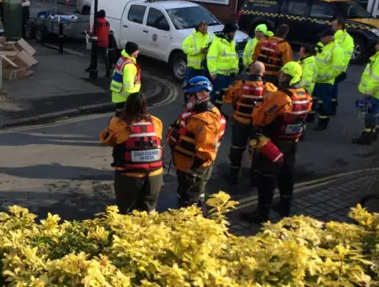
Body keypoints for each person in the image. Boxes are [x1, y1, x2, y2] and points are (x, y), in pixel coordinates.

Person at [241, 62, 312, 223]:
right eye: (281, 74)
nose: (280, 77)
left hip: (272, 142)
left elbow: (259, 119)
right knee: (287, 174)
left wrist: (260, 105)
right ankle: (285, 206)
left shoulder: (280, 96)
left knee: (266, 177)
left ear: (290, 78)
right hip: (291, 142)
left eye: (284, 75)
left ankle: (262, 213)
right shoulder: (305, 94)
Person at [99, 92, 163, 214]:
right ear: (145, 106)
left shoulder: (118, 123)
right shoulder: (156, 122)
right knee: (149, 211)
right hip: (154, 175)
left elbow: (108, 140)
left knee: (126, 211)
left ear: (127, 106)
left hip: (129, 175)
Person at [167, 76, 225, 210]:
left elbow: (205, 152)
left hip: (193, 169)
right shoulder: (196, 112)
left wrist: (192, 171)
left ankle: (191, 223)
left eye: (190, 95)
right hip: (185, 166)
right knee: (188, 194)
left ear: (201, 94)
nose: (188, 98)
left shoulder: (206, 121)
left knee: (190, 200)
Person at [222, 61, 277, 185]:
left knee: (237, 148)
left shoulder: (239, 85)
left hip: (240, 121)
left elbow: (227, 100)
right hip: (257, 124)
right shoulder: (268, 87)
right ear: (263, 73)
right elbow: (274, 105)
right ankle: (254, 177)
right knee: (256, 149)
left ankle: (233, 176)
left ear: (250, 71)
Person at [313, 28, 345, 131]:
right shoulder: (322, 46)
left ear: (329, 38)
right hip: (315, 80)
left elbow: (337, 69)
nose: (321, 38)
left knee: (323, 104)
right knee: (314, 100)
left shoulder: (336, 50)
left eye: (323, 36)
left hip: (326, 82)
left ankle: (323, 122)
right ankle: (313, 118)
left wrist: (326, 76)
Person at [206, 23, 239, 111]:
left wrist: (235, 70)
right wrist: (213, 72)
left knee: (223, 95)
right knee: (215, 94)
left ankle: (218, 111)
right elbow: (211, 58)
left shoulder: (232, 42)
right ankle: (210, 112)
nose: (234, 34)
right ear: (227, 32)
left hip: (228, 75)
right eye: (233, 32)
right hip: (219, 75)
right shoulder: (217, 43)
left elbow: (235, 57)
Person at [353, 41, 379, 145]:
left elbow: (376, 79)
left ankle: (367, 137)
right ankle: (373, 134)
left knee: (370, 115)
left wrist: (368, 91)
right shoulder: (376, 57)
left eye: (378, 44)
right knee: (375, 114)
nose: (376, 45)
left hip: (374, 93)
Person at [330, 17, 354, 115]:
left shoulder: (339, 37)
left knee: (331, 88)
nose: (332, 27)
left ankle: (331, 108)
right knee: (332, 88)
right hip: (340, 68)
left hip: (336, 69)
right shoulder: (346, 37)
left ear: (340, 26)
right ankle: (331, 107)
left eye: (333, 26)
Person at [110, 42, 141, 109]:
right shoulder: (129, 66)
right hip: (126, 98)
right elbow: (128, 84)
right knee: (126, 118)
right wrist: (134, 97)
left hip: (118, 95)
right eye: (136, 50)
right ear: (132, 52)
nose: (138, 51)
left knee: (119, 116)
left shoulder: (122, 59)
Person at [87, 10, 111, 77]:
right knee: (105, 57)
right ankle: (108, 71)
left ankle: (91, 67)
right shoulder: (107, 23)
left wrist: (90, 35)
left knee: (94, 55)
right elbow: (107, 31)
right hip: (105, 42)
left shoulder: (97, 22)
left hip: (97, 41)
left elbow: (94, 32)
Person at [298, 44, 317, 123]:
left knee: (300, 112)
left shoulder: (308, 64)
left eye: (301, 51)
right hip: (301, 90)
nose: (299, 53)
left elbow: (305, 81)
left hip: (303, 90)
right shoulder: (303, 61)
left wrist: (295, 87)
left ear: (307, 54)